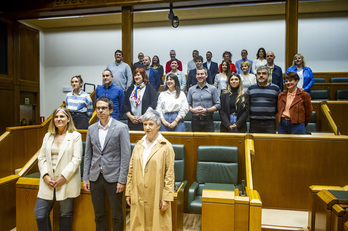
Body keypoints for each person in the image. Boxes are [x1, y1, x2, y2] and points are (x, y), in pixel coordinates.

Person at [83, 96, 131, 231]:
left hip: (114, 178)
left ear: (110, 110)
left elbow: (126, 156)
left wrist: (122, 180)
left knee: (117, 215)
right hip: (95, 178)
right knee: (99, 215)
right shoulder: (91, 129)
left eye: (104, 108)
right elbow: (88, 155)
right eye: (98, 108)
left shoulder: (121, 127)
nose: (100, 111)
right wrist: (86, 177)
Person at [125, 108, 175, 230]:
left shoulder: (166, 146)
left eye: (151, 124)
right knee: (138, 225)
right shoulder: (138, 145)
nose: (147, 127)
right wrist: (128, 192)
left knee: (156, 226)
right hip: (138, 192)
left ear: (158, 125)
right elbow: (131, 170)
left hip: (156, 194)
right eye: (145, 124)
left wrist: (166, 198)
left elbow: (169, 174)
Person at [34, 107, 82, 231]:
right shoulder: (48, 136)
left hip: (67, 180)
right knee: (40, 214)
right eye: (56, 117)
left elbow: (76, 159)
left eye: (62, 116)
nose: (59, 119)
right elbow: (41, 158)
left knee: (65, 215)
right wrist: (45, 176)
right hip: (48, 180)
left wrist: (63, 178)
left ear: (68, 118)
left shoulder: (75, 136)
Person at [246, 66, 280, 133]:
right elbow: (247, 105)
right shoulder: (251, 88)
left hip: (270, 122)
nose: (261, 75)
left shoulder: (275, 88)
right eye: (259, 73)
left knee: (270, 143)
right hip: (254, 122)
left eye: (264, 73)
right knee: (253, 142)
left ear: (268, 75)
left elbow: (278, 105)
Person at [187, 66, 220, 132]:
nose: (200, 76)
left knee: (209, 141)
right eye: (198, 74)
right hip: (195, 120)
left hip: (208, 119)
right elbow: (187, 105)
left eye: (202, 74)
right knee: (196, 141)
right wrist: (193, 110)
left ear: (206, 75)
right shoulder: (191, 89)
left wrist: (206, 110)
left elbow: (218, 104)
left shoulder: (212, 89)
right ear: (196, 76)